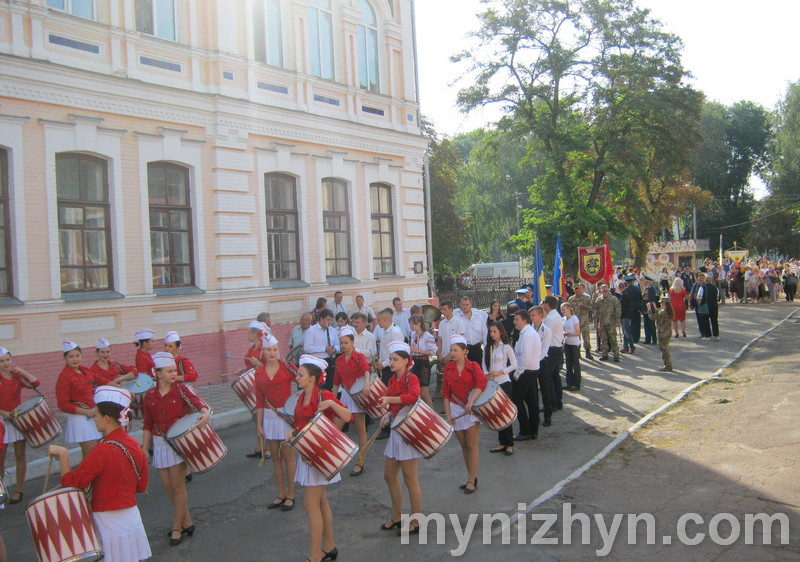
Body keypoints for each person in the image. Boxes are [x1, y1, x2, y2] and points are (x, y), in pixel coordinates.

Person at [48, 386, 151, 562]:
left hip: (108, 518)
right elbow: (141, 486)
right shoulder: (134, 444)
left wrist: (63, 455)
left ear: (107, 418)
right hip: (131, 516)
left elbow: (73, 484)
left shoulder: (101, 450)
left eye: (96, 415)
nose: (93, 419)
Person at [142, 351, 210, 546]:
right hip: (160, 444)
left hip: (178, 443)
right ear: (158, 373)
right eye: (169, 371)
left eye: (174, 370)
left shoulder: (181, 390)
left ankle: (176, 526)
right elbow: (147, 424)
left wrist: (205, 414)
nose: (174, 374)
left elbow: (200, 405)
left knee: (178, 487)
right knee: (167, 487)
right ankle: (187, 520)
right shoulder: (150, 396)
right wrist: (145, 448)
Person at [291, 355, 352, 562]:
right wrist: (292, 433)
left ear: (312, 378)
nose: (296, 377)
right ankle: (329, 546)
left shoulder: (323, 394)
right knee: (321, 502)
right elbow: (299, 420)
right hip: (307, 454)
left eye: (300, 374)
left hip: (320, 455)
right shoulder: (301, 396)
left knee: (310, 505)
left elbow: (347, 416)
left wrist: (331, 404)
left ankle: (315, 554)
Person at [378, 341, 423, 535]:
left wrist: (390, 401)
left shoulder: (411, 378)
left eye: (395, 359)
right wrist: (386, 414)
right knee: (389, 476)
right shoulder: (391, 380)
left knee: (410, 479)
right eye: (390, 359)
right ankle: (396, 516)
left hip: (408, 430)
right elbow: (391, 405)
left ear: (406, 361)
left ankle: (416, 521)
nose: (392, 362)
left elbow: (413, 397)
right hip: (396, 430)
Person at [255, 334, 297, 510]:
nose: (272, 353)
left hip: (285, 415)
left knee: (288, 455)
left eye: (274, 349)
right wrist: (259, 425)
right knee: (275, 456)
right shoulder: (259, 372)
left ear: (279, 350)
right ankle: (280, 493)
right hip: (269, 416)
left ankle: (291, 494)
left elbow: (304, 382)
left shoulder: (287, 367)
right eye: (268, 350)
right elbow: (258, 401)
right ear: (263, 351)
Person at [442, 335, 486, 494]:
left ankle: (470, 479)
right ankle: (471, 476)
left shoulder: (473, 366)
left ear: (465, 351)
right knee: (464, 445)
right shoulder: (448, 368)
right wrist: (447, 413)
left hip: (471, 409)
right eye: (451, 350)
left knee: (472, 444)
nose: (452, 353)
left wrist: (471, 401)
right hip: (455, 409)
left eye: (456, 350)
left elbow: (482, 383)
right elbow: (445, 393)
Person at [56, 340, 109, 458]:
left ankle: (85, 476)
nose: (75, 359)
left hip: (93, 414)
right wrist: (86, 412)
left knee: (91, 457)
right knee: (93, 455)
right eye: (71, 357)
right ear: (65, 358)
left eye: (77, 356)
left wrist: (121, 389)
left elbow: (101, 381)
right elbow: (63, 404)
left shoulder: (84, 370)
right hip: (80, 419)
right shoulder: (64, 377)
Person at [0, 348, 39, 505]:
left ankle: (19, 491)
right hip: (2, 421)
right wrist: (3, 413)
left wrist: (22, 370)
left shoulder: (17, 377)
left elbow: (36, 383)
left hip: (17, 420)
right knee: (0, 460)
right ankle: (1, 492)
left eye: (8, 360)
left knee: (20, 455)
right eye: (2, 361)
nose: (5, 363)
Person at [332, 327, 370, 476]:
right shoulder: (339, 359)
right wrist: (333, 399)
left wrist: (367, 383)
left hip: (358, 395)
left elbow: (366, 370)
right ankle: (337, 459)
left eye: (346, 342)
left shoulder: (359, 356)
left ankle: (360, 462)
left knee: (361, 430)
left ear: (353, 342)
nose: (343, 345)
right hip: (346, 397)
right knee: (335, 430)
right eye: (341, 343)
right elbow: (336, 381)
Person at [483, 322, 517, 455]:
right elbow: (483, 364)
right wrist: (486, 374)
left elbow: (514, 365)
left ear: (500, 332)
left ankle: (509, 444)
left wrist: (500, 372)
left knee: (505, 414)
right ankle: (502, 442)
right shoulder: (487, 347)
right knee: (496, 414)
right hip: (492, 384)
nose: (492, 334)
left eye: (494, 332)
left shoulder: (506, 347)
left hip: (504, 382)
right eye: (490, 331)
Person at [511, 310, 542, 441]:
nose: (514, 322)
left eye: (516, 319)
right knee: (531, 401)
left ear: (524, 321)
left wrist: (518, 373)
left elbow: (526, 357)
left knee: (518, 400)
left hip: (526, 372)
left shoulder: (527, 334)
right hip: (530, 370)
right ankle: (532, 430)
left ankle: (526, 430)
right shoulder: (526, 333)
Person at [373, 309, 404, 440]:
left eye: (379, 320)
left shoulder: (395, 333)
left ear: (385, 320)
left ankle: (390, 427)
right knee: (386, 394)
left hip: (391, 368)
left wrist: (384, 364)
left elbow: (398, 353)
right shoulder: (382, 330)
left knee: (390, 396)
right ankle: (388, 424)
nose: (377, 322)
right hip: (385, 367)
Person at [244, 321, 271, 460]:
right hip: (252, 383)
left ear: (255, 334)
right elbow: (249, 365)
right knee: (256, 417)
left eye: (249, 332)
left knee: (263, 416)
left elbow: (269, 367)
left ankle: (267, 448)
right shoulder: (252, 348)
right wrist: (242, 371)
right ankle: (259, 446)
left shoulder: (263, 348)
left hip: (261, 384)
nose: (247, 334)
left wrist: (258, 363)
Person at [303, 309, 340, 391]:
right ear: (321, 319)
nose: (330, 322)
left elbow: (338, 345)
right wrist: (324, 349)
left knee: (330, 385)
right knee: (319, 386)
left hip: (330, 361)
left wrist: (334, 349)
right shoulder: (311, 331)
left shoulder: (332, 330)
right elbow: (307, 348)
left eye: (331, 320)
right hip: (318, 362)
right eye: (328, 320)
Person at [529, 306, 554, 424]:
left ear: (540, 315)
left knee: (545, 388)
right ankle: (535, 415)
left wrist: (535, 359)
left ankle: (548, 415)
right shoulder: (529, 328)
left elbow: (545, 350)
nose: (531, 317)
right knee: (533, 389)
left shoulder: (546, 330)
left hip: (542, 361)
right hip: (531, 363)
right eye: (530, 315)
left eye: (533, 315)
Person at [409, 315, 437, 409]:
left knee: (424, 392)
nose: (411, 326)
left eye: (414, 324)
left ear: (420, 324)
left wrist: (417, 351)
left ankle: (432, 412)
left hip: (423, 363)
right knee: (416, 391)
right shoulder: (412, 335)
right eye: (411, 324)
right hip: (414, 363)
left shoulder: (427, 336)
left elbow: (432, 351)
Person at [541, 296, 564, 410]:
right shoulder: (555, 315)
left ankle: (551, 403)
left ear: (547, 304)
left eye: (544, 303)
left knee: (548, 377)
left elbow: (545, 334)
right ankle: (557, 401)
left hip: (552, 349)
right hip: (557, 348)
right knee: (555, 376)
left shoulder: (550, 318)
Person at [455, 296, 488, 366]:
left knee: (478, 371)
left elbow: (484, 333)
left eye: (467, 304)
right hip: (464, 350)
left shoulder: (479, 317)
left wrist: (486, 347)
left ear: (471, 305)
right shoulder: (457, 319)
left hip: (477, 348)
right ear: (460, 305)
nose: (465, 306)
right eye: (463, 304)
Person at [592, 286, 621, 362]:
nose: (605, 292)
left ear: (608, 291)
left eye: (606, 291)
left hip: (611, 322)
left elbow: (618, 310)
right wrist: (595, 322)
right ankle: (604, 354)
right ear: (601, 291)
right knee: (603, 339)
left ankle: (616, 355)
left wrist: (617, 321)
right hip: (602, 323)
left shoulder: (614, 299)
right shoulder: (599, 299)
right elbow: (595, 311)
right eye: (603, 291)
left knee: (613, 339)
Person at [436, 301, 466, 368]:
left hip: (455, 357)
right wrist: (439, 353)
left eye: (445, 309)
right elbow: (440, 339)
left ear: (451, 309)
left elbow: (460, 342)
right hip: (444, 357)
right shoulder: (442, 323)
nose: (443, 311)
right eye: (442, 309)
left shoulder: (459, 322)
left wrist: (449, 355)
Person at [568, 284, 593, 360]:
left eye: (578, 290)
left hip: (584, 321)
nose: (577, 291)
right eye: (576, 290)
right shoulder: (571, 299)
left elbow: (592, 308)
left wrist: (584, 306)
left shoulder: (586, 298)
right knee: (576, 337)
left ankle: (588, 351)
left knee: (586, 337)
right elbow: (569, 310)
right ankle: (577, 352)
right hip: (575, 322)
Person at [648, 298, 674, 371]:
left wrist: (649, 309)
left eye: (661, 303)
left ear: (664, 303)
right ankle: (668, 364)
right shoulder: (668, 311)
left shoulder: (663, 312)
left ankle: (668, 365)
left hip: (662, 332)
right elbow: (659, 315)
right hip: (668, 331)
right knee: (665, 348)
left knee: (664, 349)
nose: (661, 304)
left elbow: (652, 317)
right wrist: (656, 308)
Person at [561, 303, 582, 391]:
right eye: (561, 309)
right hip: (567, 343)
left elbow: (578, 332)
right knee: (568, 364)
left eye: (564, 309)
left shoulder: (574, 318)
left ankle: (577, 384)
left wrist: (569, 334)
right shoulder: (563, 319)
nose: (562, 311)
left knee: (575, 364)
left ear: (569, 309)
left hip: (574, 344)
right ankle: (569, 383)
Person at [620, 275, 642, 354]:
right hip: (636, 308)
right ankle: (636, 337)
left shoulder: (626, 291)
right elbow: (640, 299)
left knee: (627, 329)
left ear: (626, 282)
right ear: (632, 281)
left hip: (628, 311)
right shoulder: (637, 289)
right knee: (636, 324)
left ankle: (628, 346)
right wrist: (640, 308)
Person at [696, 273, 720, 341]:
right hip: (714, 306)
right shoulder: (715, 288)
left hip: (705, 306)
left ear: (705, 280)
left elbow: (699, 298)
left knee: (705, 321)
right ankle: (716, 335)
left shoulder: (702, 287)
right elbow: (718, 297)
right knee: (714, 321)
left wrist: (699, 305)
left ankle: (707, 335)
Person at [640, 277, 659, 345]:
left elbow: (650, 300)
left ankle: (654, 339)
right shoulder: (647, 288)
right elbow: (644, 300)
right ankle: (647, 339)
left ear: (647, 281)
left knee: (651, 324)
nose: (643, 282)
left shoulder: (651, 289)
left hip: (649, 309)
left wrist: (648, 309)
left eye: (644, 281)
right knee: (646, 325)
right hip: (646, 309)